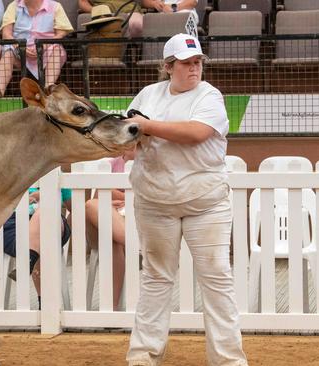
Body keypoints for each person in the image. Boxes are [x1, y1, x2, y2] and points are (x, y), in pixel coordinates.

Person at [124, 33, 247, 366]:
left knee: (217, 278)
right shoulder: (148, 95)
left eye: (197, 63)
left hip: (205, 203)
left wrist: (146, 127)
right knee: (155, 277)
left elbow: (196, 134)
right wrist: (127, 137)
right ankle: (143, 358)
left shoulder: (209, 95)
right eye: (186, 63)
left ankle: (228, 361)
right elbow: (127, 139)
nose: (194, 69)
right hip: (154, 202)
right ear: (168, 67)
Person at [0, 0, 73, 98]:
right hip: (20, 51)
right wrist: (19, 46)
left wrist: (44, 45)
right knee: (8, 52)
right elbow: (6, 34)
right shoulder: (13, 6)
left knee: (56, 49)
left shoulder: (55, 6)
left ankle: (47, 89)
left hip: (46, 50)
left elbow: (61, 33)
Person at [3, 188, 71, 309]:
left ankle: (28, 262)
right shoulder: (9, 173)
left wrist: (46, 197)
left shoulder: (56, 173)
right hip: (16, 222)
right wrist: (22, 201)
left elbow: (74, 208)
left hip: (52, 222)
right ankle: (44, 304)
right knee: (42, 239)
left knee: (45, 213)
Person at [84, 149, 134, 310]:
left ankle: (110, 308)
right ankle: (134, 241)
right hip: (112, 217)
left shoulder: (153, 163)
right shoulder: (112, 163)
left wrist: (118, 196)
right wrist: (124, 198)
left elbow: (151, 194)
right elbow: (100, 194)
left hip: (137, 217)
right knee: (92, 205)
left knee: (110, 241)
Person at [78, 0, 198, 38]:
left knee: (139, 24)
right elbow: (82, 2)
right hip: (103, 14)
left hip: (130, 12)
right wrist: (94, 11)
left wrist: (155, 4)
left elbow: (143, 1)